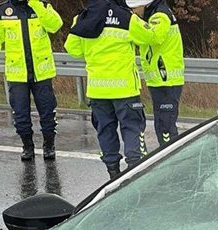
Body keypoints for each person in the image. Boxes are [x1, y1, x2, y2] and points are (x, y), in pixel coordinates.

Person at [66, 0, 163, 179]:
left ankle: (113, 173)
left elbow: (72, 49)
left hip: (98, 90)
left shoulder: (82, 18)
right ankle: (135, 172)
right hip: (124, 89)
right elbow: (152, 37)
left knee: (105, 130)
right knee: (132, 129)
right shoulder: (126, 17)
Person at [0, 0, 63, 161]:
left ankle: (49, 146)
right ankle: (27, 147)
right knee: (20, 114)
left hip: (41, 72)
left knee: (48, 112)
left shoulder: (42, 5)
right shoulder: (1, 11)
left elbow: (55, 25)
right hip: (17, 74)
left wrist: (36, 4)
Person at [129, 0, 186, 148]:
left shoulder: (160, 15)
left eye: (134, 8)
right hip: (160, 80)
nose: (133, 11)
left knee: (166, 127)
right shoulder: (153, 14)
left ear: (145, 3)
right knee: (162, 124)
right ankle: (169, 156)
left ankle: (172, 159)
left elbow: (153, 37)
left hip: (166, 80)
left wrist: (131, 21)